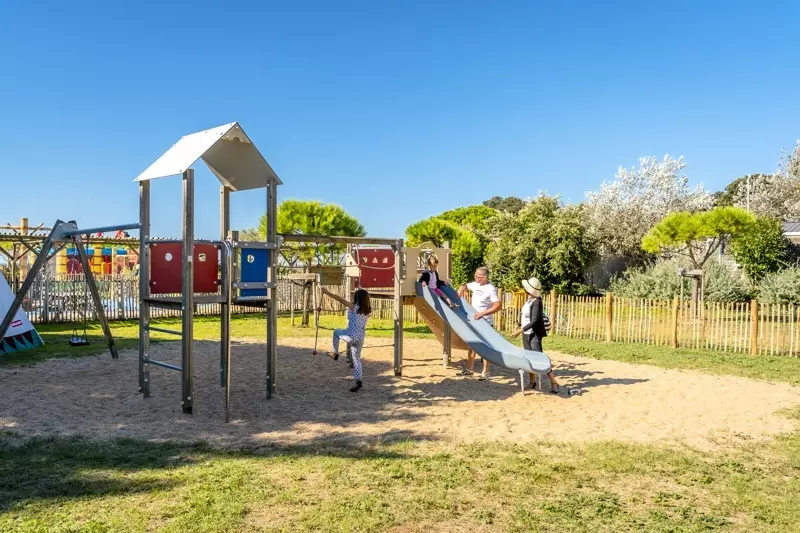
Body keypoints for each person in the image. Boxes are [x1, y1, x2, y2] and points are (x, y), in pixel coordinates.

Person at [512, 276, 559, 393]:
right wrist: (518, 325)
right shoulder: (529, 300)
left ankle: (554, 382)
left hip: (534, 333)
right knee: (529, 357)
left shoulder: (537, 302)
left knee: (539, 357)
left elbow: (534, 321)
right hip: (526, 333)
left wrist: (519, 331)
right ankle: (532, 382)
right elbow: (523, 315)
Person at [320, 287, 371, 392]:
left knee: (336, 332)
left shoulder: (354, 307)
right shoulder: (367, 310)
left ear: (357, 298)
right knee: (357, 360)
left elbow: (339, 299)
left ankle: (335, 353)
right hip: (360, 339)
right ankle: (358, 381)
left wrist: (327, 292)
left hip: (351, 336)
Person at [456, 266, 501, 380]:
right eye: (475, 276)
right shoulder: (476, 284)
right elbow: (465, 285)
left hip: (485, 322)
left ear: (485, 277)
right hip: (474, 321)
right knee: (472, 345)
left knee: (486, 347)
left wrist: (482, 313)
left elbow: (497, 306)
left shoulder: (490, 289)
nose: (476, 278)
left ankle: (485, 372)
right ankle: (470, 370)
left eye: (478, 277)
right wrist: (461, 289)